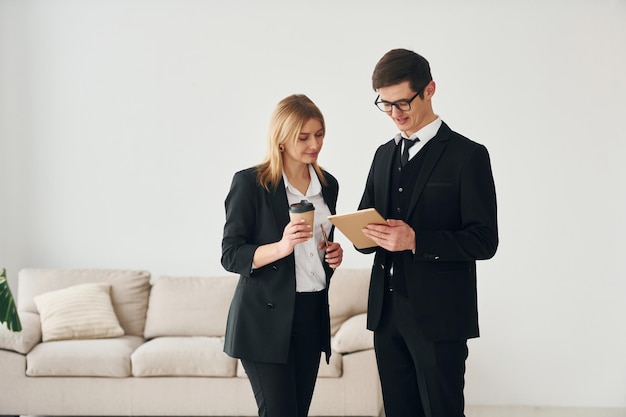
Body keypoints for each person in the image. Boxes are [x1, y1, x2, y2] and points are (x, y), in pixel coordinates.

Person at [357, 48, 498, 417]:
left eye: (402, 102)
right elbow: (366, 223)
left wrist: (416, 240)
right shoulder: (382, 155)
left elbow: (485, 240)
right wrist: (359, 234)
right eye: (385, 105)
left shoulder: (468, 156)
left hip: (441, 316)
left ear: (430, 89)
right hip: (386, 314)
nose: (395, 114)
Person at [221, 94, 343, 417]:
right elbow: (230, 254)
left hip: (311, 312)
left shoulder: (328, 185)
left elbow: (316, 254)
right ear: (281, 139)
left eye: (319, 134)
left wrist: (331, 256)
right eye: (303, 137)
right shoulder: (251, 184)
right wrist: (281, 247)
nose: (314, 144)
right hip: (264, 320)